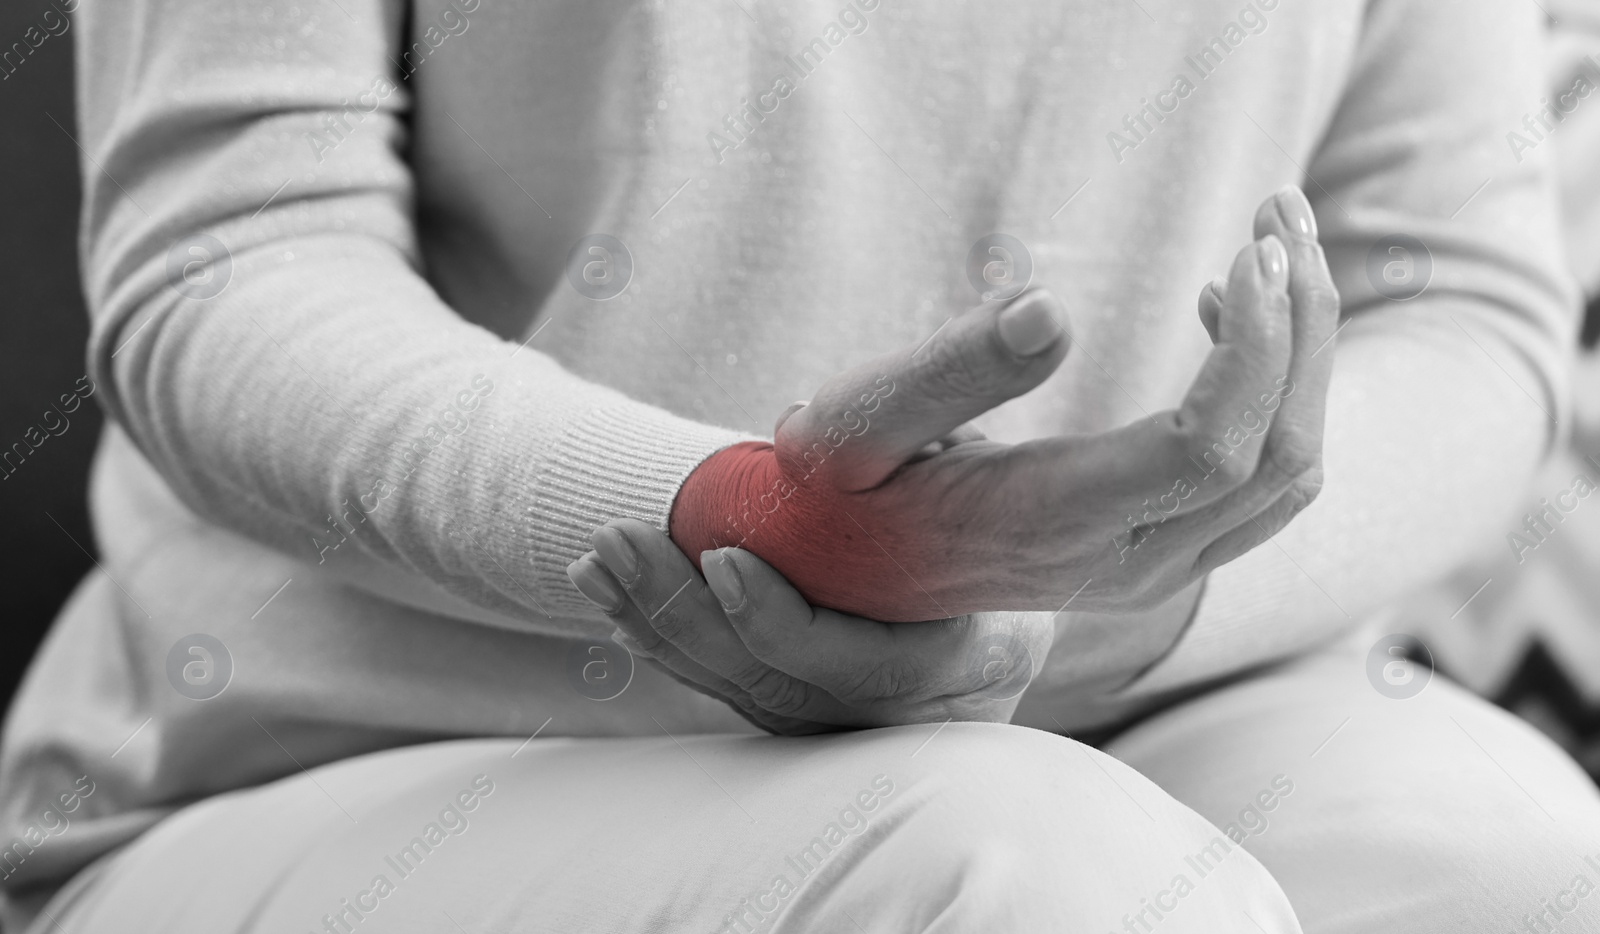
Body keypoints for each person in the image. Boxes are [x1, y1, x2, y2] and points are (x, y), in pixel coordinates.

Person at [1, 0, 1597, 931]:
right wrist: (751, 531)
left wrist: (1113, 599)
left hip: (1133, 693)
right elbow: (232, 263)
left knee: (1518, 868)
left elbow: (1454, 293)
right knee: (1057, 886)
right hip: (347, 763)